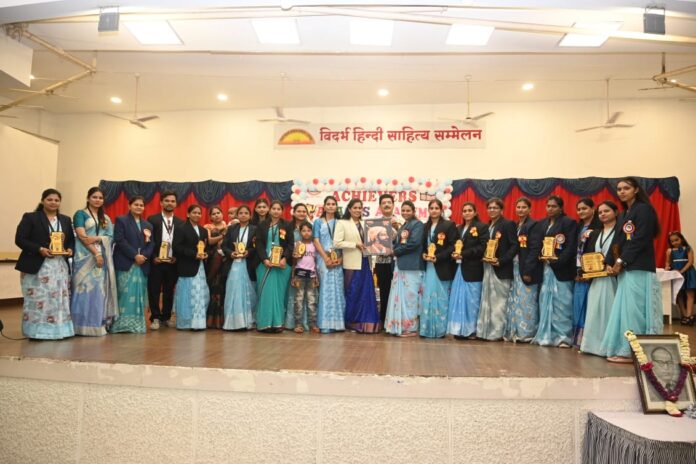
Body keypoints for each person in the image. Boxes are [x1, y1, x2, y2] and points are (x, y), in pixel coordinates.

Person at [601, 177, 663, 362]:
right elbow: (618, 240)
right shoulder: (624, 214)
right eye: (619, 189)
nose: (621, 191)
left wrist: (621, 261)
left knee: (635, 311)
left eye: (626, 188)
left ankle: (634, 353)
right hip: (627, 269)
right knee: (625, 310)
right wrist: (609, 261)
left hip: (639, 267)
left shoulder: (643, 210)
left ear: (636, 190)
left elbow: (640, 239)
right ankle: (625, 348)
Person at [15, 188, 75, 340]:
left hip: (59, 266)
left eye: (56, 200)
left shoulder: (65, 220)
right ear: (42, 201)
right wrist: (39, 249)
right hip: (37, 265)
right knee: (38, 299)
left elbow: (70, 241)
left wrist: (70, 249)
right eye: (49, 199)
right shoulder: (31, 217)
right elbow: (20, 239)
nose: (53, 202)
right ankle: (36, 332)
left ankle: (60, 331)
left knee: (58, 299)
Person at [71, 186, 118, 336]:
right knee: (83, 290)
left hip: (101, 260)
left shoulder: (106, 218)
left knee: (98, 292)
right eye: (94, 197)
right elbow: (82, 236)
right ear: (88, 198)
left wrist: (97, 239)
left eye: (100, 198)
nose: (97, 200)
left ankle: (96, 325)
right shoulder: (80, 214)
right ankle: (79, 326)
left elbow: (111, 237)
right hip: (84, 257)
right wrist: (96, 253)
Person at [532, 195, 578, 348]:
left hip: (561, 269)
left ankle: (563, 337)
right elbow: (537, 245)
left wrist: (557, 262)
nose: (550, 209)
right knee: (544, 301)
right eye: (548, 206)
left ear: (561, 208)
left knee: (562, 303)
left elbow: (571, 247)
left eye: (554, 206)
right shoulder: (542, 224)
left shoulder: (568, 222)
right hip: (545, 269)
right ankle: (546, 335)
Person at [334, 198, 380, 333]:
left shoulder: (366, 224)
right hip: (351, 262)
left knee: (366, 293)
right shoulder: (342, 223)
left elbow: (373, 241)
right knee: (352, 292)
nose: (357, 210)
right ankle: (352, 323)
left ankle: (366, 324)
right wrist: (355, 245)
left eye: (360, 208)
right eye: (355, 208)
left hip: (365, 261)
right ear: (349, 209)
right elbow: (336, 243)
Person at [580, 201, 619, 356]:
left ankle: (609, 346)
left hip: (613, 277)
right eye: (600, 212)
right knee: (594, 310)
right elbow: (589, 254)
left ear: (616, 212)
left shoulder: (620, 232)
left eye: (606, 211)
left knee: (610, 309)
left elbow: (621, 252)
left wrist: (614, 264)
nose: (603, 214)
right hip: (596, 278)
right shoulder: (596, 233)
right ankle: (591, 346)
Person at [110, 196, 154, 334]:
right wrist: (135, 255)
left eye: (141, 205)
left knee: (139, 296)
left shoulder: (148, 225)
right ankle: (120, 325)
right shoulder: (121, 220)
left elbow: (151, 244)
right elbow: (120, 240)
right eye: (136, 204)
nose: (139, 207)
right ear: (129, 206)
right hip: (126, 263)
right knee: (123, 294)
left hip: (142, 265)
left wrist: (144, 256)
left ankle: (137, 325)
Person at [477, 197, 518, 341]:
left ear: (501, 209)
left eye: (495, 208)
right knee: (487, 301)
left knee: (500, 303)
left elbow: (514, 246)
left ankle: (498, 333)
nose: (492, 210)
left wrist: (501, 261)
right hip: (488, 267)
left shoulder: (508, 224)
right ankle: (486, 331)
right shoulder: (488, 226)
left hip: (501, 269)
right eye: (490, 208)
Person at [447, 202, 488, 338]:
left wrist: (463, 254)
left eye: (470, 210)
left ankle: (471, 330)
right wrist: (453, 254)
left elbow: (482, 247)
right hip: (458, 269)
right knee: (458, 300)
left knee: (472, 301)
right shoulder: (458, 228)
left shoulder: (482, 227)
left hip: (473, 269)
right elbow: (453, 245)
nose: (467, 213)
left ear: (475, 212)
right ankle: (459, 330)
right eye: (464, 211)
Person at [504, 197, 543, 343]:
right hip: (515, 267)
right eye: (518, 207)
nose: (520, 210)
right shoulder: (515, 225)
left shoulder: (534, 225)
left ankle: (526, 333)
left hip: (526, 269)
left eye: (524, 207)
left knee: (527, 302)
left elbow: (535, 249)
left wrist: (528, 271)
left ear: (529, 209)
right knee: (514, 301)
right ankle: (514, 331)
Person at [384, 201, 424, 337]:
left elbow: (414, 243)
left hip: (412, 266)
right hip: (401, 265)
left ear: (414, 211)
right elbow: (400, 243)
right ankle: (400, 326)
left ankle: (411, 328)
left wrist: (395, 251)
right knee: (401, 298)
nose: (405, 213)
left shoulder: (418, 224)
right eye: (403, 210)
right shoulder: (404, 225)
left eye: (408, 210)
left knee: (410, 298)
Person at [147, 191, 184, 330]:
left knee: (169, 291)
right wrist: (153, 257)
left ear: (176, 204)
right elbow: (148, 241)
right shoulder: (152, 219)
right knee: (154, 290)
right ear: (161, 203)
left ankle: (166, 317)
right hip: (156, 261)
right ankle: (155, 317)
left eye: (172, 201)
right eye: (167, 201)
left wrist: (177, 257)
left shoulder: (180, 222)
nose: (170, 203)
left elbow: (181, 243)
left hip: (172, 262)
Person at [420, 199, 457, 338]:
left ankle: (440, 330)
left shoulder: (449, 225)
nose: (434, 210)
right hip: (429, 266)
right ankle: (426, 329)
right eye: (432, 208)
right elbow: (423, 246)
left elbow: (453, 245)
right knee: (428, 297)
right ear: (428, 210)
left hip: (442, 266)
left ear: (441, 210)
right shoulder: (425, 226)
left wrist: (439, 257)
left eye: (437, 208)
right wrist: (423, 254)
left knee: (441, 299)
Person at [255, 200, 293, 332]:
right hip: (265, 264)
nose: (276, 211)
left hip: (281, 265)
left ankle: (277, 323)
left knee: (279, 295)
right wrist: (265, 259)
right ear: (269, 210)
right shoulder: (262, 225)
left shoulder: (287, 225)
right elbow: (259, 244)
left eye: (278, 209)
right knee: (266, 293)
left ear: (282, 211)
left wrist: (284, 258)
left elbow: (290, 244)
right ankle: (264, 324)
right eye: (274, 208)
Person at [173, 204, 210, 330]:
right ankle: (185, 323)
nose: (197, 215)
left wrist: (205, 254)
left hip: (200, 268)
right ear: (188, 214)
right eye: (194, 212)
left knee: (200, 294)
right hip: (187, 267)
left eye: (199, 213)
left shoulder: (203, 230)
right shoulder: (181, 228)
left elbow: (206, 247)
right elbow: (177, 247)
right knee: (187, 295)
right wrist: (194, 255)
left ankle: (198, 323)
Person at [312, 196, 345, 333]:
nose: (331, 206)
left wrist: (340, 259)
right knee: (325, 289)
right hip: (323, 258)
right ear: (324, 206)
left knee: (338, 289)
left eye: (333, 204)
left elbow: (344, 242)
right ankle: (325, 323)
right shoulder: (318, 222)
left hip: (337, 259)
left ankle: (338, 324)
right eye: (328, 204)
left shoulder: (341, 223)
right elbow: (316, 241)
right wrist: (325, 258)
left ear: (336, 207)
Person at [221, 205, 257, 330]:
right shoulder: (231, 228)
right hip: (233, 264)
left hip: (248, 264)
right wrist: (231, 253)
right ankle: (233, 323)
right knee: (233, 291)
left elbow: (256, 247)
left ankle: (247, 322)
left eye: (246, 213)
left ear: (250, 215)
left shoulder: (254, 229)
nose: (243, 215)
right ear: (237, 215)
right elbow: (224, 246)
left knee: (249, 293)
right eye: (240, 213)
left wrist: (249, 252)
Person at [572, 198, 600, 347]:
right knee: (578, 304)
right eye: (579, 209)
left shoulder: (598, 226)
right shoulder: (578, 227)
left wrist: (587, 271)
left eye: (584, 208)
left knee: (591, 305)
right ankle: (578, 340)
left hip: (592, 271)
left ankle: (590, 340)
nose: (581, 211)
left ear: (592, 209)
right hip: (577, 270)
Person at [374, 194, 402, 327]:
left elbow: (404, 242)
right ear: (380, 206)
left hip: (397, 262)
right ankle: (384, 320)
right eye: (383, 203)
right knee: (384, 291)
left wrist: (397, 229)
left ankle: (397, 320)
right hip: (381, 262)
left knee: (397, 292)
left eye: (389, 202)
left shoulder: (401, 222)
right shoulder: (374, 224)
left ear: (393, 205)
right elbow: (372, 243)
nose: (386, 205)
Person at [291, 221, 320, 333]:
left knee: (312, 300)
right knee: (298, 300)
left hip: (311, 275)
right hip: (299, 275)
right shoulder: (297, 244)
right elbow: (294, 262)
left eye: (309, 230)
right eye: (303, 231)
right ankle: (298, 324)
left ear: (312, 232)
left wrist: (316, 276)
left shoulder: (314, 245)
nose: (306, 233)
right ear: (300, 232)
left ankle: (313, 324)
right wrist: (293, 276)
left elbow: (316, 262)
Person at [285, 203, 310, 330]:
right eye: (298, 211)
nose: (301, 213)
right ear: (293, 212)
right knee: (293, 292)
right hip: (292, 263)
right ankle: (291, 322)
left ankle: (305, 322)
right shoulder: (287, 227)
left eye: (304, 211)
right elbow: (284, 245)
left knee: (306, 294)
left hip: (307, 264)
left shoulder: (309, 226)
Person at [203, 205, 228, 329]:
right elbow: (209, 241)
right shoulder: (207, 227)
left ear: (222, 214)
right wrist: (223, 235)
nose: (216, 215)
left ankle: (222, 321)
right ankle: (209, 320)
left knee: (223, 287)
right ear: (210, 217)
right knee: (212, 286)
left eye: (218, 212)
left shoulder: (229, 226)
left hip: (225, 260)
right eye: (213, 214)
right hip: (212, 260)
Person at [665, 231, 696, 325]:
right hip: (676, 274)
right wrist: (667, 267)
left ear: (681, 239)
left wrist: (682, 271)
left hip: (688, 272)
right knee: (679, 294)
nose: (675, 242)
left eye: (676, 240)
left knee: (690, 293)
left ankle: (689, 315)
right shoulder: (669, 251)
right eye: (672, 241)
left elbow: (690, 262)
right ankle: (684, 315)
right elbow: (667, 262)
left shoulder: (688, 249)